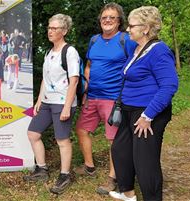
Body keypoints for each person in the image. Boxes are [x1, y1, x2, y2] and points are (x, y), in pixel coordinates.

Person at [108, 6, 179, 201]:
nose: (128, 29)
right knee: (120, 151)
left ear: (146, 28)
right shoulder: (137, 48)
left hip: (148, 113)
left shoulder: (159, 51)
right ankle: (128, 193)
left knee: (145, 162)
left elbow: (169, 85)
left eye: (132, 25)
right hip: (129, 110)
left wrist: (148, 116)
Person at [74, 2, 137, 195]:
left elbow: (137, 65)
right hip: (92, 96)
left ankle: (113, 178)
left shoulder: (126, 40)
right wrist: (85, 90)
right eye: (104, 17)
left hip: (114, 99)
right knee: (82, 130)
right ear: (100, 21)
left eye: (112, 17)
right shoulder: (94, 40)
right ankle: (89, 166)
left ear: (119, 21)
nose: (107, 20)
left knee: (113, 140)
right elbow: (89, 66)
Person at [23, 14, 79, 195]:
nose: (50, 31)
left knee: (62, 140)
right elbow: (45, 80)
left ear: (64, 31)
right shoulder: (48, 52)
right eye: (49, 27)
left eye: (55, 28)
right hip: (47, 102)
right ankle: (42, 170)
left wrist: (67, 107)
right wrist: (39, 100)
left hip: (62, 103)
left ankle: (65, 175)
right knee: (33, 133)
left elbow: (74, 81)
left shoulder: (69, 52)